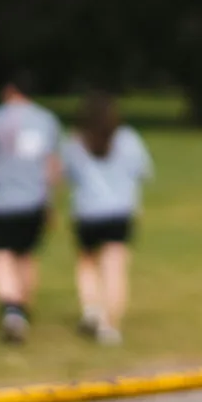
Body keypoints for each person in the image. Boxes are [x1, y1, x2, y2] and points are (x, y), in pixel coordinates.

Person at [0, 74, 62, 343]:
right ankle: (23, 307)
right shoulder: (46, 120)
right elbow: (52, 167)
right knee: (26, 256)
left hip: (1, 200)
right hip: (33, 200)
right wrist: (50, 201)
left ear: (9, 91)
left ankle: (11, 309)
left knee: (1, 255)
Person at [62, 91, 153, 345]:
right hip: (121, 211)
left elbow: (65, 174)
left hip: (87, 212)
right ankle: (109, 326)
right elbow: (144, 171)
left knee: (87, 263)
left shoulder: (76, 142)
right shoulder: (128, 139)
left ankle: (91, 308)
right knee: (115, 269)